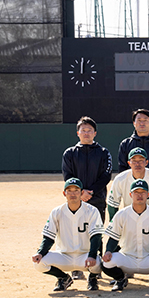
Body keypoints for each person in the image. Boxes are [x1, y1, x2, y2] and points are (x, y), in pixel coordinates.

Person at [100, 179, 149, 291]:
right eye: (136, 192)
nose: (139, 195)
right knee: (106, 263)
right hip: (127, 257)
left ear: (148, 195)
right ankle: (120, 279)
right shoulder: (121, 214)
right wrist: (108, 251)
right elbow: (113, 238)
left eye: (143, 192)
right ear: (131, 195)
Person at [62, 115, 112, 281]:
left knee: (96, 232)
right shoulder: (69, 153)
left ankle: (96, 268)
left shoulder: (104, 153)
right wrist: (80, 193)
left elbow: (106, 176)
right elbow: (68, 176)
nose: (86, 133)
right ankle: (77, 268)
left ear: (95, 133)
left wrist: (90, 192)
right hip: (76, 201)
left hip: (97, 199)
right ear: (78, 133)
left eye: (89, 130)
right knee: (77, 233)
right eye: (83, 130)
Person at [31, 178, 104, 291]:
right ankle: (63, 278)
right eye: (69, 190)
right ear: (64, 193)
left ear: (81, 193)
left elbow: (96, 236)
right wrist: (40, 252)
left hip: (85, 257)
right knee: (39, 263)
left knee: (99, 263)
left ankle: (93, 278)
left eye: (76, 190)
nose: (73, 193)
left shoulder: (92, 211)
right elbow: (49, 237)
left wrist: (92, 255)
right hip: (63, 256)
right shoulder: (57, 212)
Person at [106, 147, 149, 221]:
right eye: (134, 161)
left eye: (141, 161)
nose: (137, 164)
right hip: (130, 218)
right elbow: (113, 204)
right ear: (129, 163)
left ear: (146, 162)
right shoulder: (120, 179)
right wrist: (113, 224)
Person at [117, 108, 149, 176]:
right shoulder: (125, 144)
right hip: (132, 185)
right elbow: (122, 166)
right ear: (134, 123)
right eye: (139, 120)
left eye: (145, 120)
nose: (142, 123)